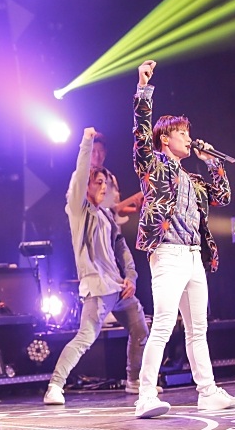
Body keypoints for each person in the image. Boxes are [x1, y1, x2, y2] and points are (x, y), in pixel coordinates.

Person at [132, 60, 235, 418]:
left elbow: (223, 196)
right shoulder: (153, 165)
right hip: (167, 253)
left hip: (194, 256)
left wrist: (212, 162)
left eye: (187, 132)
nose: (187, 137)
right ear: (166, 138)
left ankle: (207, 392)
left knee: (198, 328)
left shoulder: (193, 180)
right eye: (182, 132)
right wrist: (143, 89)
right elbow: (141, 133)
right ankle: (145, 396)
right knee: (164, 324)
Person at [44, 127, 154, 405]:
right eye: (99, 183)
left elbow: (121, 246)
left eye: (106, 183)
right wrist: (86, 142)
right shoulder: (78, 211)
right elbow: (82, 173)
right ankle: (55, 386)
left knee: (141, 329)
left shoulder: (105, 215)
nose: (104, 187)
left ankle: (134, 381)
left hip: (118, 287)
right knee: (85, 337)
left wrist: (131, 276)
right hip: (97, 286)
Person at [90, 133, 143, 225]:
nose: (97, 155)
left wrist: (136, 209)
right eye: (93, 151)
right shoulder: (80, 178)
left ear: (105, 152)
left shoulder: (111, 178)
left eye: (100, 150)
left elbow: (115, 208)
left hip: (113, 231)